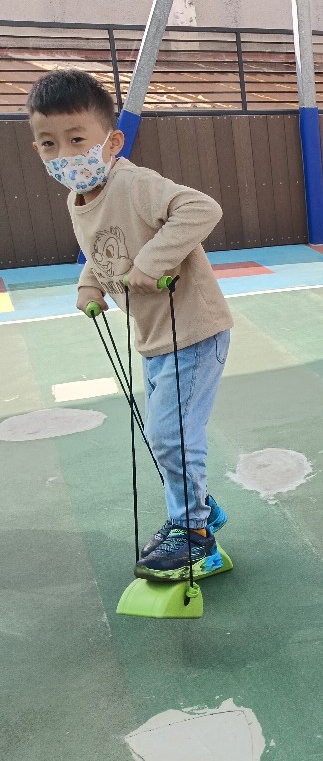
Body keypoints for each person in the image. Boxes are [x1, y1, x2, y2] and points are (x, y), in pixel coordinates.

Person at [27, 69, 234, 580]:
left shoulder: (134, 184)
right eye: (50, 144)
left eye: (77, 140)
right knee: (163, 435)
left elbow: (202, 208)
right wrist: (89, 284)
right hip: (154, 337)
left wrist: (152, 261)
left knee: (171, 435)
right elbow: (100, 250)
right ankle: (200, 509)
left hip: (193, 330)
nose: (64, 155)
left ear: (112, 142)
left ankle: (195, 535)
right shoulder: (77, 198)